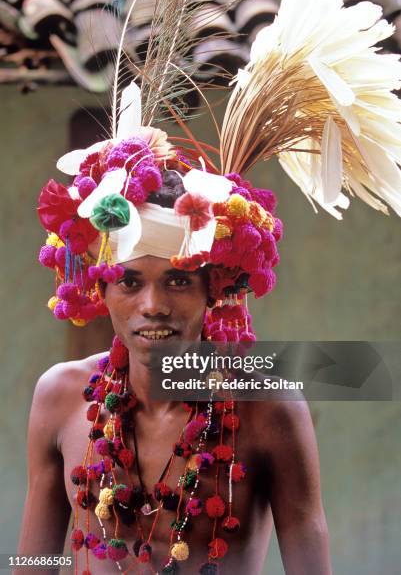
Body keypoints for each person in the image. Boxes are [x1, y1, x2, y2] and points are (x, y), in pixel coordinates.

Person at [18, 171, 331, 575]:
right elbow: (34, 560)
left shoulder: (269, 408)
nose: (154, 305)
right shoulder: (59, 395)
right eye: (129, 281)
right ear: (101, 290)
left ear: (212, 290)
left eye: (178, 281)